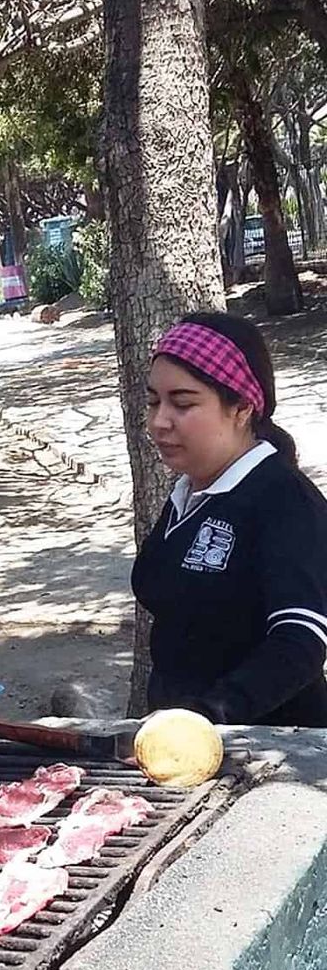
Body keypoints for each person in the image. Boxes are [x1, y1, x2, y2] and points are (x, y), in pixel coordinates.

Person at [131, 310, 327, 726]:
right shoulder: (190, 490)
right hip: (182, 744)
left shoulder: (284, 500)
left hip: (270, 751)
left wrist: (208, 714)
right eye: (153, 401)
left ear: (241, 407)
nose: (159, 421)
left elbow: (301, 642)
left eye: (182, 403)